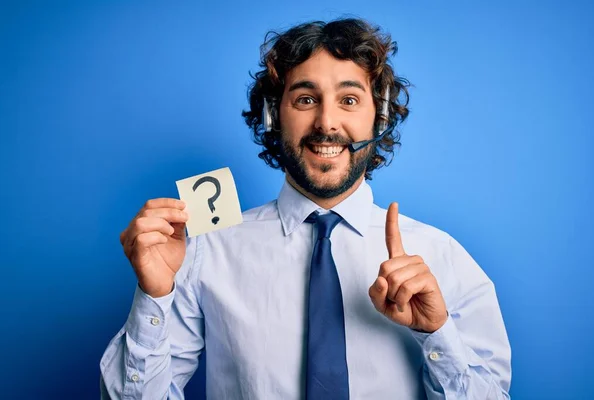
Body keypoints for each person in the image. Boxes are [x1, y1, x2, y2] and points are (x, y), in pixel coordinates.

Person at [100, 18, 511, 399]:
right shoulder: (207, 248)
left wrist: (437, 334)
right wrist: (154, 295)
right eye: (305, 99)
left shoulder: (443, 257)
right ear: (272, 115)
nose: (327, 122)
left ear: (379, 117)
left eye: (349, 99)